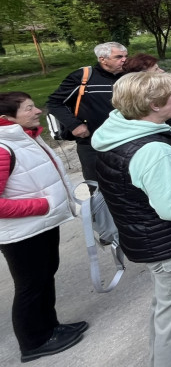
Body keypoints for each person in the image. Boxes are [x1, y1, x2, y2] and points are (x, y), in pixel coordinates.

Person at [91, 72, 171, 367]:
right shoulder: (153, 151)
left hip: (147, 238)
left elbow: (141, 180)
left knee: (168, 311)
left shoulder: (119, 131)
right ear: (154, 106)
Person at [0, 92, 85, 363]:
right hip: (23, 233)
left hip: (42, 225)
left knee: (45, 275)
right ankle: (34, 342)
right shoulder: (4, 148)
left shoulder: (27, 136)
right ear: (6, 118)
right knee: (30, 285)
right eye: (28, 108)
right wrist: (42, 206)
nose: (37, 111)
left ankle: (50, 327)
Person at [46, 41, 128, 185]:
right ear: (102, 59)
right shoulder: (83, 77)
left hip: (126, 141)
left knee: (130, 184)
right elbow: (54, 102)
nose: (124, 60)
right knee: (98, 187)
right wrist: (74, 125)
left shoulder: (128, 76)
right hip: (92, 144)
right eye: (118, 57)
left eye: (126, 56)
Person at [122, 53, 171, 144]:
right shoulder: (146, 106)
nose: (162, 71)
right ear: (142, 77)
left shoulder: (161, 94)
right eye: (156, 69)